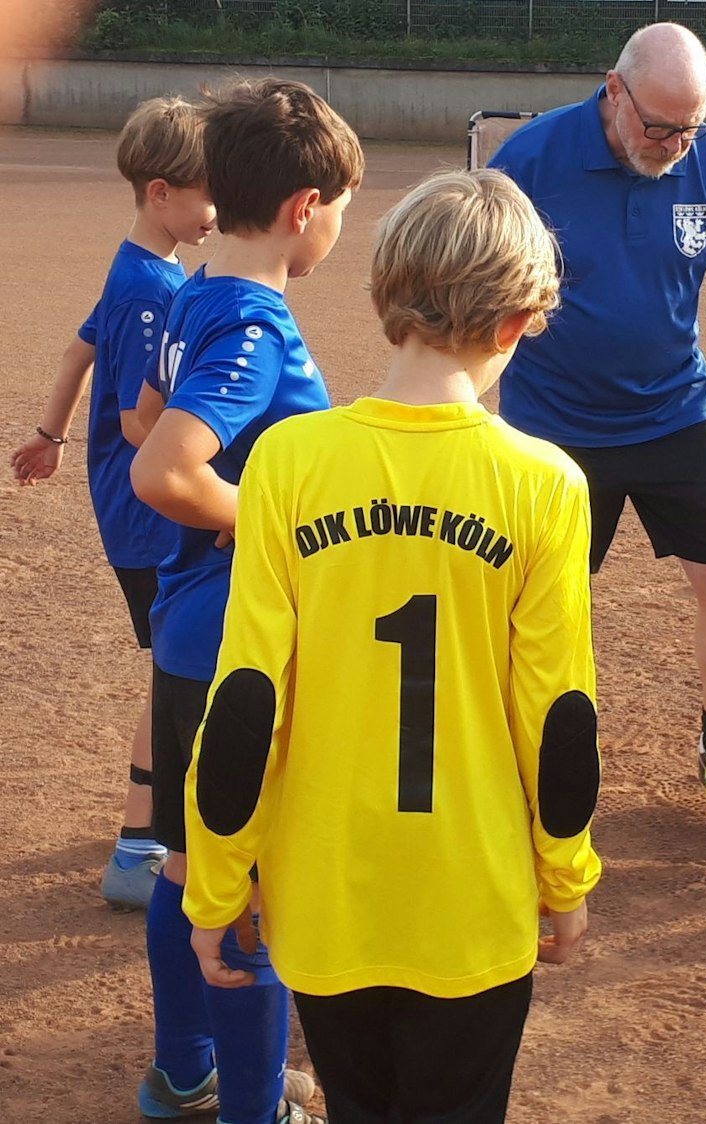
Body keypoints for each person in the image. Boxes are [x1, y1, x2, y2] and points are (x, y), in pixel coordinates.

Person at [181, 168, 601, 1124]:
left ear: (386, 294)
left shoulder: (289, 463)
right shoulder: (545, 484)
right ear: (515, 322)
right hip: (472, 902)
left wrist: (214, 885)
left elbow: (245, 700)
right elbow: (559, 718)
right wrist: (565, 875)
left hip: (327, 900)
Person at [129, 76, 364, 1124]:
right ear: (305, 207)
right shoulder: (258, 325)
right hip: (241, 646)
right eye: (343, 211)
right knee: (251, 880)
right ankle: (254, 1106)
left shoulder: (189, 295)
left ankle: (184, 1068)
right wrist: (268, 516)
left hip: (188, 629)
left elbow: (141, 412)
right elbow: (164, 466)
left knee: (187, 863)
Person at [487, 21, 706, 766]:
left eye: (689, 129)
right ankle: (523, 747)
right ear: (613, 90)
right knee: (536, 604)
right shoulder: (530, 161)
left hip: (673, 412)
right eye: (658, 126)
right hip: (551, 426)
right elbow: (474, 293)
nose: (673, 145)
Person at [10, 96, 212, 910]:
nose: (216, 211)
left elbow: (74, 352)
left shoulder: (134, 268)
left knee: (174, 667)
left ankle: (146, 832)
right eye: (206, 193)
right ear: (160, 191)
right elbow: (138, 419)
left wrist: (49, 435)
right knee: (174, 674)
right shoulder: (151, 291)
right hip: (150, 519)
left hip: (133, 510)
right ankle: (138, 846)